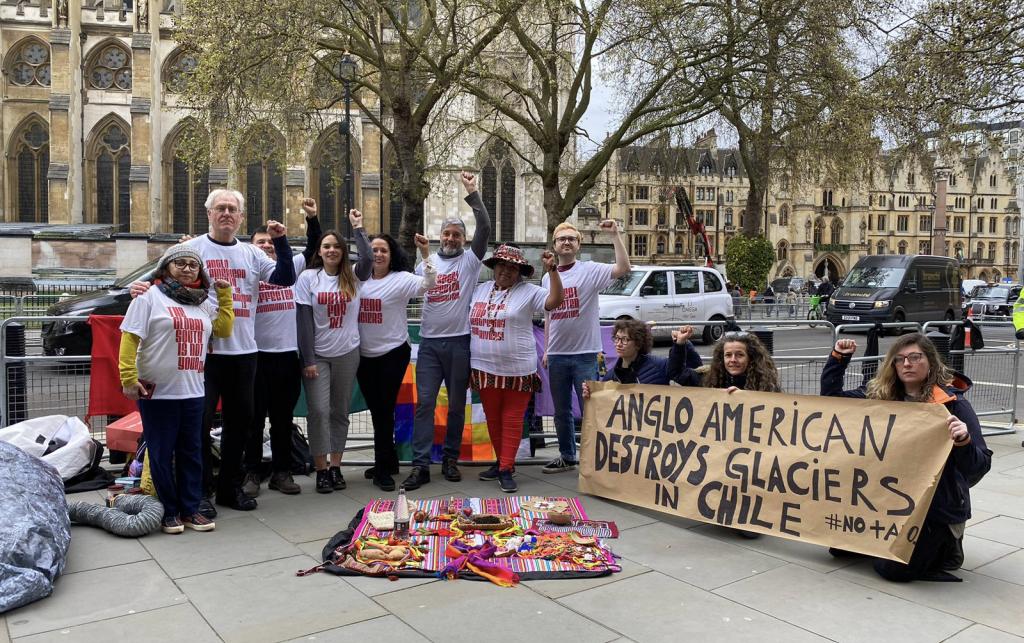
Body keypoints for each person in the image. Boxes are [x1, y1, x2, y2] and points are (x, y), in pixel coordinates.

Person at [131, 190, 296, 513]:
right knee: (198, 426)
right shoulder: (192, 249)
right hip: (202, 354)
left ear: (240, 217)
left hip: (244, 352)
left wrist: (281, 242)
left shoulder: (251, 253)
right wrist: (138, 287)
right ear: (208, 214)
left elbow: (285, 279)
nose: (226, 214)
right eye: (220, 208)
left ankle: (229, 488)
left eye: (232, 209)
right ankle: (201, 490)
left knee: (241, 425)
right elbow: (158, 279)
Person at [821, 333, 992, 582]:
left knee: (893, 570)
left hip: (934, 508)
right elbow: (831, 401)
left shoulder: (954, 405)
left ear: (930, 362)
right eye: (900, 359)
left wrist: (963, 442)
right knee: (839, 548)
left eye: (914, 358)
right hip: (884, 501)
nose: (907, 364)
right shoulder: (879, 396)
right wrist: (838, 359)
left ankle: (947, 548)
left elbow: (979, 466)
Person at [119, 244, 234, 534]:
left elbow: (222, 329)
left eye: (193, 265)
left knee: (192, 451)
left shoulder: (200, 302)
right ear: (166, 268)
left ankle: (190, 509)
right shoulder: (148, 298)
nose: (187, 269)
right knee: (161, 451)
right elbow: (130, 337)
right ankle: (169, 511)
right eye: (180, 263)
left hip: (193, 390)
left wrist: (225, 296)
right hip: (158, 392)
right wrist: (128, 377)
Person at [403, 171, 491, 491]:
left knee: (456, 405)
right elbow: (414, 290)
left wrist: (472, 193)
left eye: (457, 235)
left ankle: (451, 459)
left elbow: (485, 228)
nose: (452, 238)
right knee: (425, 403)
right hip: (428, 345)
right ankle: (421, 465)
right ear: (440, 237)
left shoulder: (469, 262)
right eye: (447, 234)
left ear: (464, 241)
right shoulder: (424, 264)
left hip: (458, 343)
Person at [242, 198, 322, 497]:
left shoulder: (292, 266)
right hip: (254, 356)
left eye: (270, 241)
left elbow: (315, 245)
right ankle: (251, 472)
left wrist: (311, 218)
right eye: (260, 242)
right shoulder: (248, 271)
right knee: (253, 419)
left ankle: (282, 472)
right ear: (251, 247)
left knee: (282, 419)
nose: (266, 246)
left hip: (287, 356)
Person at [469, 243, 563, 492]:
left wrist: (552, 270)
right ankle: (503, 463)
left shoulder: (529, 292)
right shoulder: (479, 290)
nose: (506, 271)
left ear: (520, 272)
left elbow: (555, 300)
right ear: (494, 267)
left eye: (513, 268)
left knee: (511, 419)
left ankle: (505, 468)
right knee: (492, 419)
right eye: (502, 265)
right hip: (483, 366)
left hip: (517, 369)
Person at [540, 219, 630, 474]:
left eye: (571, 238)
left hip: (585, 354)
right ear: (555, 245)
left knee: (591, 410)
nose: (566, 242)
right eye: (561, 239)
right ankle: (568, 455)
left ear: (578, 244)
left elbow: (623, 268)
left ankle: (594, 460)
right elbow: (549, 317)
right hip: (557, 354)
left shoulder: (589, 270)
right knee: (561, 411)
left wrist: (615, 234)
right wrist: (546, 348)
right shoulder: (548, 278)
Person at [295, 212, 372, 493]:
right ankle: (321, 469)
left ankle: (336, 467)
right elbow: (303, 321)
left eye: (336, 246)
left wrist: (358, 228)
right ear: (320, 251)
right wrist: (309, 359)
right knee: (317, 411)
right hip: (318, 356)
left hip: (347, 353)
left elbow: (367, 260)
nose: (331, 250)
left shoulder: (352, 277)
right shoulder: (308, 278)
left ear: (342, 251)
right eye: (326, 246)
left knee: (339, 411)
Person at [356, 233, 435, 492]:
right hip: (363, 355)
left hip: (392, 352)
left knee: (383, 410)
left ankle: (382, 470)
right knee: (377, 410)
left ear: (391, 256)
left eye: (383, 250)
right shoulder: (357, 280)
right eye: (373, 250)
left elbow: (429, 284)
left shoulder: (400, 280)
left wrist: (425, 254)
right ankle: (388, 461)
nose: (378, 254)